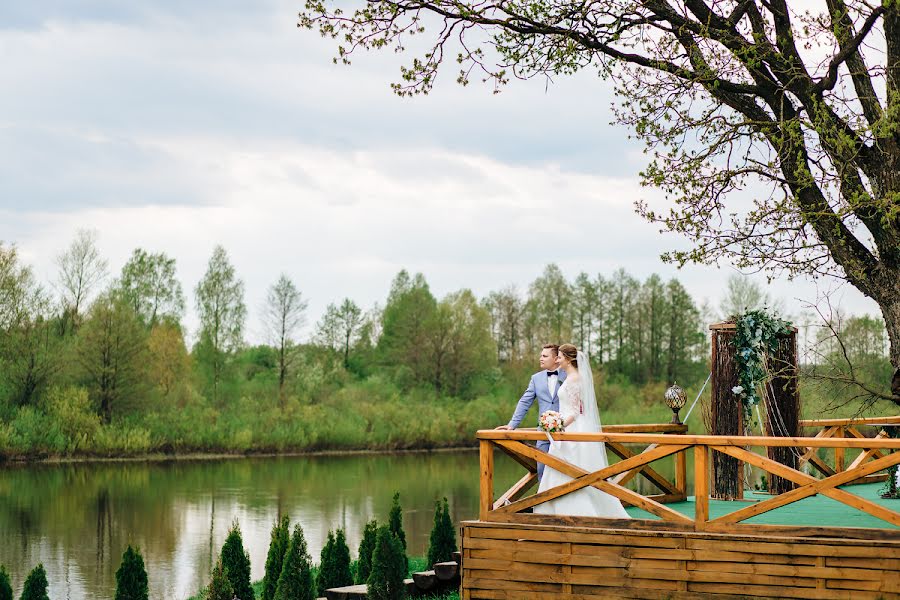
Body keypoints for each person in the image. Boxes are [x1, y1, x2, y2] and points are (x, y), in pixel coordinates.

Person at [533, 343, 630, 519]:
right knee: (560, 468)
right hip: (566, 427)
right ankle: (553, 508)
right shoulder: (571, 377)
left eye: (560, 357)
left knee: (573, 469)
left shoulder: (575, 379)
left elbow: (577, 411)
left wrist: (559, 424)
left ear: (568, 359)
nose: (557, 360)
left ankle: (575, 509)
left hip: (572, 428)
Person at [496, 344, 566, 480]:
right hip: (543, 432)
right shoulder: (536, 378)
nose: (540, 358)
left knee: (568, 471)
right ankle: (544, 501)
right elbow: (525, 402)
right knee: (542, 470)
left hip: (567, 432)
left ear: (556, 358)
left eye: (544, 356)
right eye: (541, 355)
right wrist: (512, 425)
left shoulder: (569, 375)